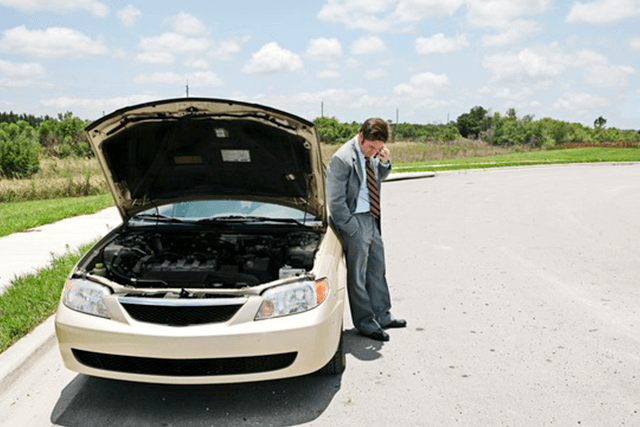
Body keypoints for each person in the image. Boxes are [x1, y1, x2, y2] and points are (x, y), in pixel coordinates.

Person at [326, 117, 406, 342]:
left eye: (378, 148)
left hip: (371, 217)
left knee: (377, 268)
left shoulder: (372, 153)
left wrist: (384, 162)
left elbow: (376, 179)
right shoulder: (341, 159)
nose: (373, 151)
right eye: (371, 147)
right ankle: (365, 322)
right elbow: (335, 202)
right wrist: (351, 228)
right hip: (354, 221)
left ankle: (382, 315)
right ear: (361, 136)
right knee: (358, 274)